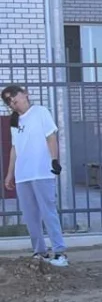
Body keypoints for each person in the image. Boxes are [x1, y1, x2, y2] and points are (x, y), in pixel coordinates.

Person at [2, 85, 68, 267]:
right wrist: (9, 174)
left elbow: (51, 137)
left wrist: (54, 159)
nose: (12, 101)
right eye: (8, 100)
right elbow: (15, 148)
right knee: (31, 216)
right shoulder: (14, 121)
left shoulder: (40, 112)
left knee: (48, 211)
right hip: (23, 174)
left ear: (25, 94)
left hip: (41, 172)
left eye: (14, 95)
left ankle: (60, 252)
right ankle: (39, 251)